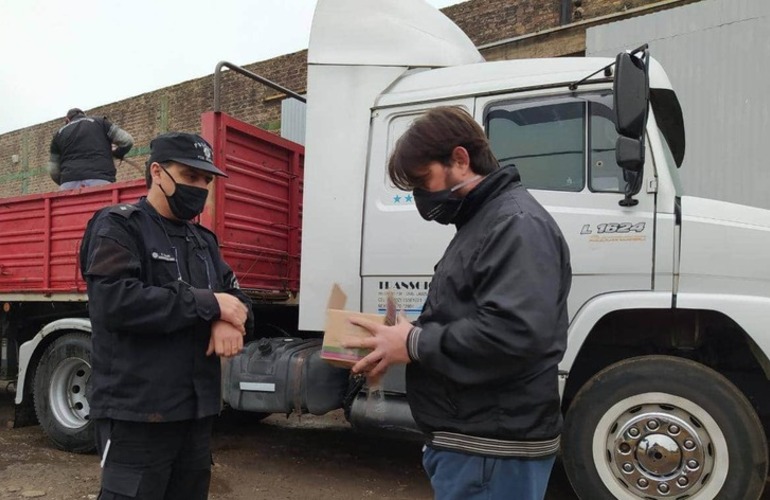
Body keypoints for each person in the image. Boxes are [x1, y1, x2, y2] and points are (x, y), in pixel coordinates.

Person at [345, 107, 572, 500]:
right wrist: (406, 335)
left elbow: (514, 332)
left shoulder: (515, 224)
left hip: (491, 447)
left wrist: (413, 344)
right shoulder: (483, 221)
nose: (420, 197)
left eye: (422, 180)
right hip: (475, 439)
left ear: (461, 159)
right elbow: (475, 315)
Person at [79, 132, 252, 500]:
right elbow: (115, 301)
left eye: (206, 180)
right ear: (158, 172)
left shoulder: (203, 241)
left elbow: (237, 298)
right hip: (138, 415)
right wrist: (210, 305)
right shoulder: (119, 226)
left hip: (194, 413)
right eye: (190, 177)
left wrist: (224, 315)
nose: (200, 187)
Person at [49, 108, 134, 190]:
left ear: (67, 119)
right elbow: (127, 141)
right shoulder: (100, 123)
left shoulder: (58, 134)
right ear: (84, 115)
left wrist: (65, 180)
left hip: (68, 184)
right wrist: (116, 153)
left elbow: (53, 171)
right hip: (100, 180)